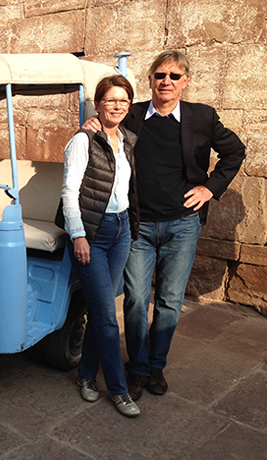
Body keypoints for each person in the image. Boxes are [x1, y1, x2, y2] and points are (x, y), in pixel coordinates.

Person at [84, 50, 245, 401]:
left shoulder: (202, 117)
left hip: (183, 225)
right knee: (137, 301)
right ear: (151, 79)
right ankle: (137, 370)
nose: (166, 82)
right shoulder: (134, 114)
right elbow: (105, 127)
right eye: (160, 75)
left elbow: (235, 152)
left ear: (185, 81)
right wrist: (91, 124)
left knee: (170, 301)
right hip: (139, 226)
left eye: (174, 76)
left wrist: (210, 187)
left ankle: (156, 366)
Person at [58, 75, 140, 417]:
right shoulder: (83, 140)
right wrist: (78, 235)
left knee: (101, 308)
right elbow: (69, 192)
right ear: (99, 103)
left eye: (123, 100)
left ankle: (88, 376)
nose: (117, 105)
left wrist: (131, 227)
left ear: (129, 106)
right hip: (93, 233)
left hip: (121, 229)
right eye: (111, 100)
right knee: (107, 316)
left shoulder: (127, 140)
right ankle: (119, 391)